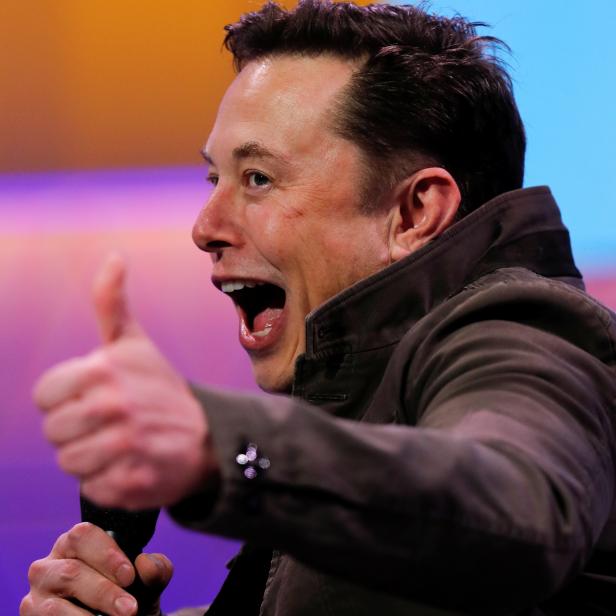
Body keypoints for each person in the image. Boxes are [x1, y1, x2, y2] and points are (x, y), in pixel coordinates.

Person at [20, 1, 616, 615]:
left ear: (413, 213)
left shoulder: (519, 327)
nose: (205, 228)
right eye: (213, 180)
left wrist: (223, 448)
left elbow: (516, 509)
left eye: (258, 179)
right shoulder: (352, 419)